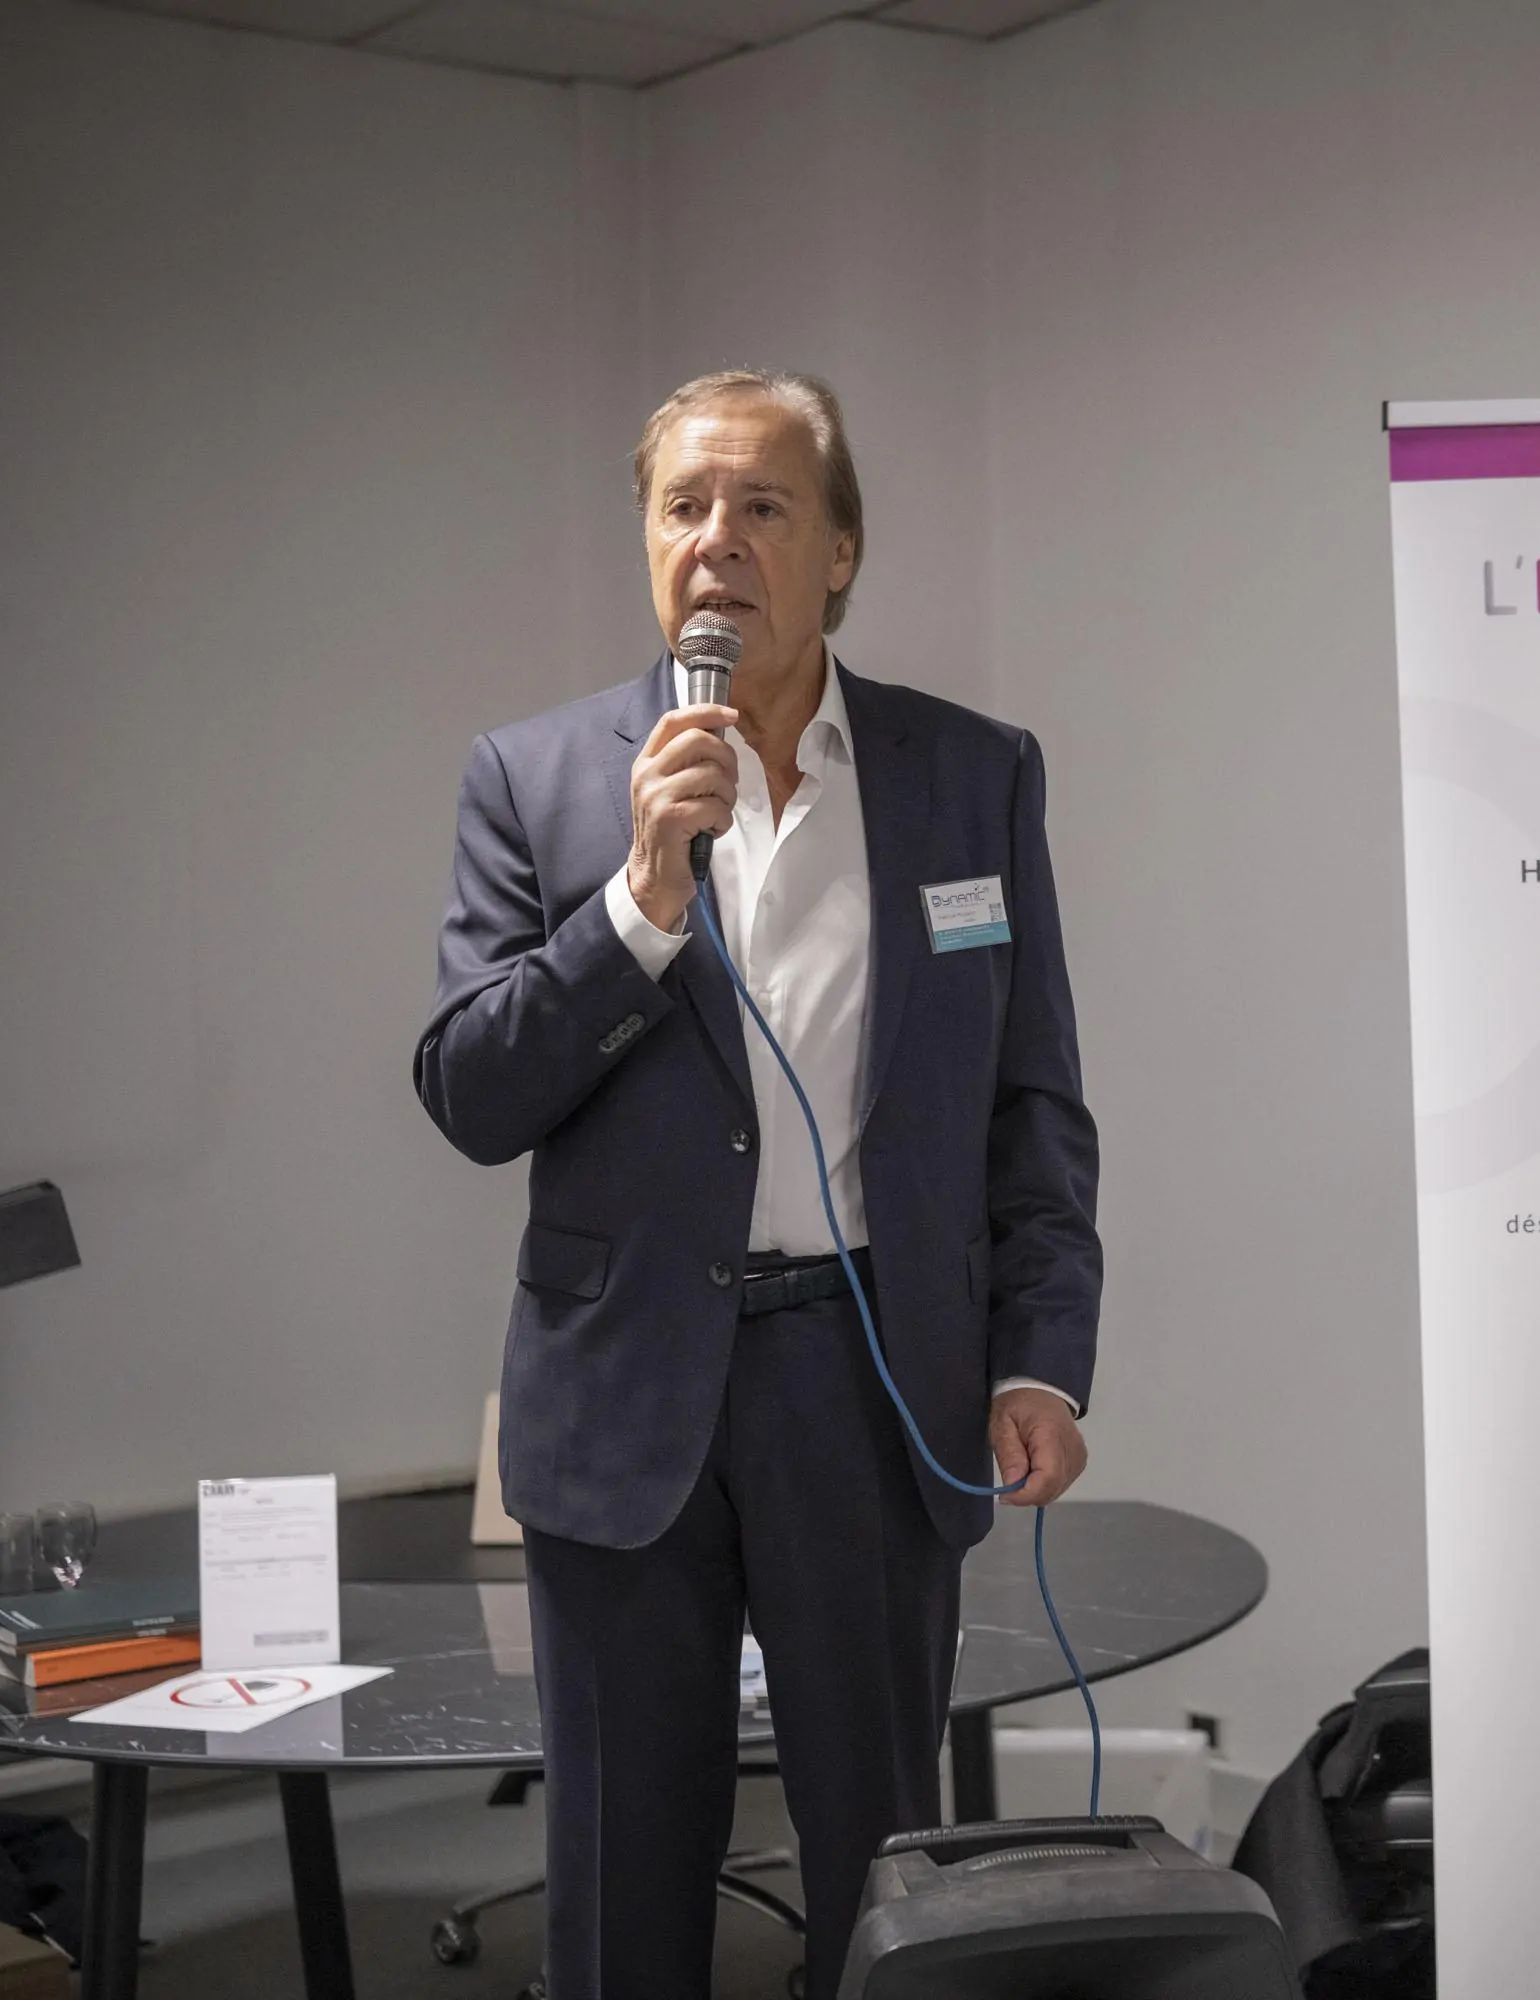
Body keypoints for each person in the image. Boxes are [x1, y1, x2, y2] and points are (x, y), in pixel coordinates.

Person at [414, 368, 1101, 1999]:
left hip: (869, 1376)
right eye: (684, 507)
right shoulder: (538, 777)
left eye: (764, 506)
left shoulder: (970, 774)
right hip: (623, 1393)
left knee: (884, 1879)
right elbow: (470, 1094)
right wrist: (637, 907)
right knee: (620, 1892)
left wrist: (1038, 1355)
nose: (716, 540)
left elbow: (1033, 1101)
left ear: (841, 550)